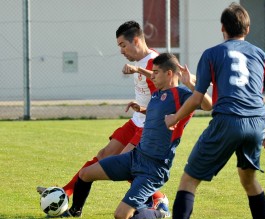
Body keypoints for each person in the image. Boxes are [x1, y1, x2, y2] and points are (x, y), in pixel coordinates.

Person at [164, 3, 265, 219]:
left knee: (188, 180)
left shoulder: (212, 53)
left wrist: (174, 118)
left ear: (222, 28)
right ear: (248, 28)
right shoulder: (261, 55)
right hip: (256, 122)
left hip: (227, 120)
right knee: (249, 180)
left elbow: (198, 99)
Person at [54, 53, 212, 219]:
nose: (152, 76)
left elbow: (208, 105)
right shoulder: (158, 94)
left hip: (153, 168)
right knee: (85, 174)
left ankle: (160, 211)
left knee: (121, 216)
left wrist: (190, 83)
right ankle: (75, 211)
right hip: (134, 157)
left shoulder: (182, 93)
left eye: (156, 72)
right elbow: (158, 114)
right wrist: (142, 109)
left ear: (169, 74)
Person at [37, 20, 167, 208]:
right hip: (136, 121)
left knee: (125, 164)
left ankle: (157, 198)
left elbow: (168, 88)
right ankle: (65, 192)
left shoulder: (154, 61)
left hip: (149, 125)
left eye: (123, 45)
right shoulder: (141, 61)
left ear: (136, 41)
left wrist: (139, 70)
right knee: (104, 154)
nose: (121, 51)